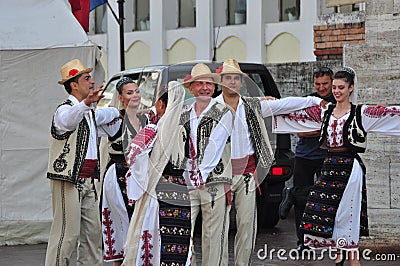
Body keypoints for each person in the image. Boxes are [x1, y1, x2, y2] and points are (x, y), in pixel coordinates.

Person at [273, 67, 400, 266]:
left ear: (351, 88)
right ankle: (295, 194)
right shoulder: (326, 111)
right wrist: (270, 106)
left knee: (347, 213)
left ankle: (349, 259)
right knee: (322, 207)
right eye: (334, 87)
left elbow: (390, 115)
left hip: (350, 167)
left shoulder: (361, 112)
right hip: (330, 163)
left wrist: (385, 110)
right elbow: (296, 117)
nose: (336, 91)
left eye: (341, 87)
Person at [215, 59, 326, 265]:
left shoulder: (252, 105)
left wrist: (313, 102)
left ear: (241, 83)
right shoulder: (212, 107)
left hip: (247, 173)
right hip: (221, 175)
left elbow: (283, 104)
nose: (232, 82)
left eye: (235, 78)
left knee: (248, 225)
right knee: (218, 227)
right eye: (228, 78)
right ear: (220, 82)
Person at [45, 59, 121, 266]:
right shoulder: (64, 110)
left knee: (93, 235)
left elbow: (111, 123)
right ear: (74, 85)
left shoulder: (88, 114)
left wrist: (122, 109)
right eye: (87, 78)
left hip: (88, 180)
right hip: (68, 179)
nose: (92, 81)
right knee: (66, 234)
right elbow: (69, 120)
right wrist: (87, 104)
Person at [122, 81, 187, 265]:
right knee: (178, 240)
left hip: (158, 191)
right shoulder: (185, 129)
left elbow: (133, 154)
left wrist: (140, 178)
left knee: (154, 238)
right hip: (180, 191)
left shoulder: (153, 129)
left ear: (160, 104)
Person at [279, 67, 337, 252]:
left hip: (327, 156)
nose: (321, 88)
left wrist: (319, 129)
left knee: (327, 197)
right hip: (304, 156)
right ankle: (303, 241)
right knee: (302, 203)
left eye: (325, 84)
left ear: (332, 82)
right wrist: (325, 129)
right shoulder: (307, 101)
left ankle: (293, 193)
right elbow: (301, 131)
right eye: (318, 84)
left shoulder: (338, 101)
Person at [101, 77, 148, 265]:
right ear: (120, 97)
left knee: (139, 223)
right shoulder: (114, 120)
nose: (135, 95)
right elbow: (92, 120)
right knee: (121, 224)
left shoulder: (146, 119)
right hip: (118, 175)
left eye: (137, 91)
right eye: (129, 92)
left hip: (140, 177)